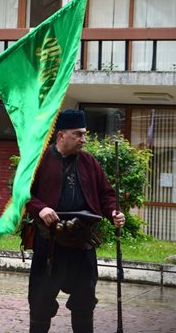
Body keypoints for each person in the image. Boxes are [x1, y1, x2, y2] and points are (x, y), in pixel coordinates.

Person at [26, 109, 126, 333]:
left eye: (84, 134)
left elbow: (106, 195)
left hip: (83, 244)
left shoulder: (89, 162)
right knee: (41, 302)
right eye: (78, 134)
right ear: (61, 136)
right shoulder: (39, 160)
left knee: (84, 302)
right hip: (49, 244)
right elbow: (22, 193)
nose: (83, 139)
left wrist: (114, 213)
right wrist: (40, 209)